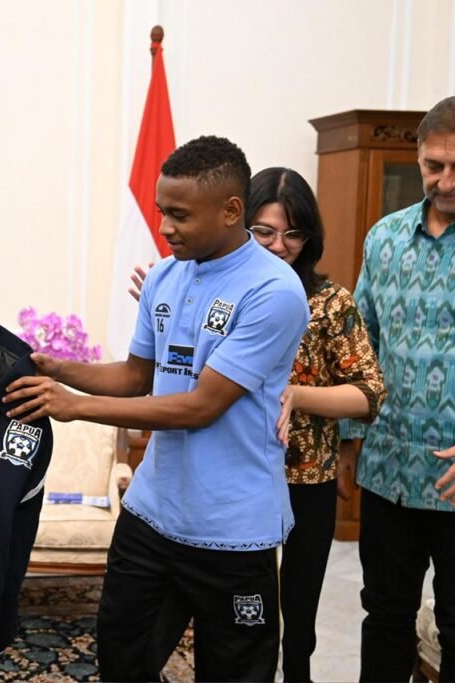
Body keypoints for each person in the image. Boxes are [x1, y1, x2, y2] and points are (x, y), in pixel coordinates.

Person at [4, 135, 310, 681]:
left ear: (231, 210)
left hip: (233, 529)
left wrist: (76, 407)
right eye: (160, 211)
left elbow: (199, 407)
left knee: (235, 672)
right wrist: (57, 368)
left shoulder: (273, 291)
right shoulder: (166, 277)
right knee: (123, 659)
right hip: (151, 514)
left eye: (179, 215)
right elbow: (136, 376)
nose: (165, 227)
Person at [130, 167, 388, 682]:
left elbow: (368, 392)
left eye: (293, 234)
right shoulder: (206, 283)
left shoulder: (328, 302)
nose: (279, 246)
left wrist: (294, 393)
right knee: (213, 615)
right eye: (266, 231)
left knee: (296, 613)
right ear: (240, 221)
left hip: (303, 477)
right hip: (228, 482)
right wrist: (167, 311)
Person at [345, 96, 455, 682]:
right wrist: (343, 441)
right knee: (385, 614)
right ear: (418, 158)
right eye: (435, 165)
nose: (446, 181)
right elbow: (358, 345)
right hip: (387, 469)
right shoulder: (384, 239)